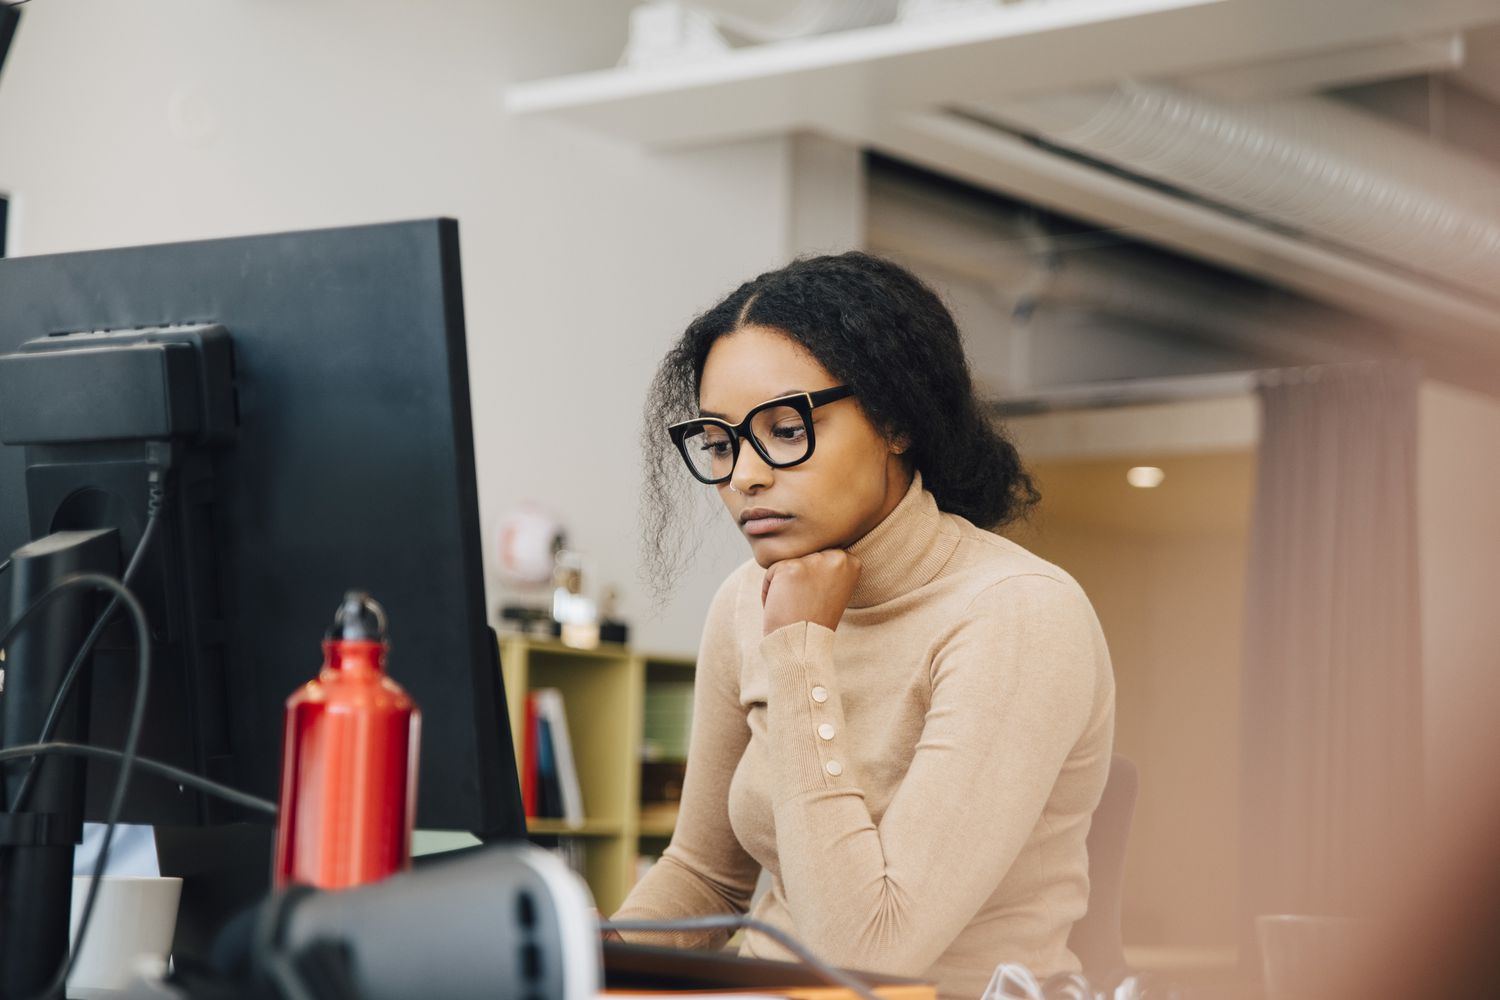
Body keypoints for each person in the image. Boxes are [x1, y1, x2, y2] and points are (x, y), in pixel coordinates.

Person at [615, 252, 1116, 999]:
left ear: (895, 419)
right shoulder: (744, 601)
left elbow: (865, 953)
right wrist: (569, 958)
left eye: (785, 430)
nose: (745, 475)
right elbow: (707, 876)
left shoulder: (1017, 613)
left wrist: (799, 654)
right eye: (720, 444)